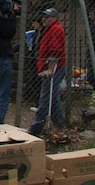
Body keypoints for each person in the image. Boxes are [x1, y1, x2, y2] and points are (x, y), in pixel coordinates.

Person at [28, 8, 67, 136]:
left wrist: (50, 69)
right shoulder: (50, 29)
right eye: (44, 17)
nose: (44, 19)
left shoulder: (55, 29)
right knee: (52, 97)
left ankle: (36, 127)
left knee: (45, 97)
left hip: (53, 68)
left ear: (55, 17)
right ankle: (60, 125)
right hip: (48, 67)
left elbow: (55, 51)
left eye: (47, 17)